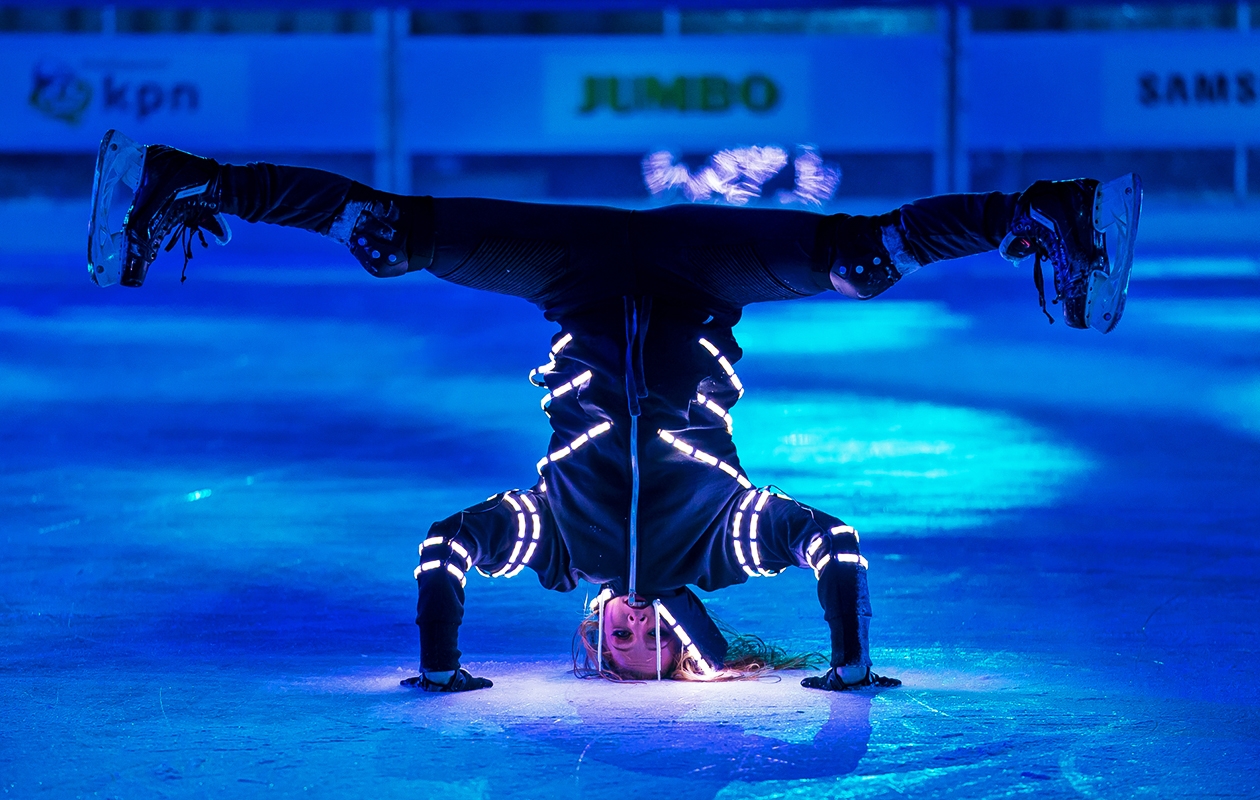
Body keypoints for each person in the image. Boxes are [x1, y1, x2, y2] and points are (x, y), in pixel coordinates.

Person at [87, 129, 1142, 693]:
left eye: (611, 650)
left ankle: (180, 182)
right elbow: (839, 545)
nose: (631, 631)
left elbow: (444, 546)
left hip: (571, 274)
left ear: (590, 633)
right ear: (683, 645)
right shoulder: (729, 537)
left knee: (386, 234)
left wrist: (443, 661)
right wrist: (850, 663)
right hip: (701, 270)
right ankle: (1049, 213)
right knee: (862, 259)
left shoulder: (551, 537)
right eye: (652, 649)